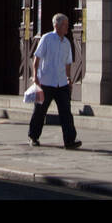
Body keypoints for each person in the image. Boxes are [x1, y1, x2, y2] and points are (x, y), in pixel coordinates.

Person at [28, 13, 82, 149]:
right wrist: (35, 76)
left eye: (67, 24)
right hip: (46, 81)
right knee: (40, 111)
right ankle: (33, 137)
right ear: (57, 25)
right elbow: (37, 58)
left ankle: (70, 140)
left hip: (61, 83)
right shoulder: (47, 38)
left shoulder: (67, 43)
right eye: (65, 25)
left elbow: (68, 63)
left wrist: (69, 78)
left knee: (66, 113)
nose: (67, 27)